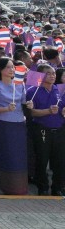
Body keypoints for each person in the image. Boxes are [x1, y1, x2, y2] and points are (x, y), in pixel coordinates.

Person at [0, 58, 28, 195]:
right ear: (0, 69)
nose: (12, 70)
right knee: (7, 154)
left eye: (13, 67)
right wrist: (5, 109)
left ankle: (21, 186)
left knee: (19, 155)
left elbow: (24, 101)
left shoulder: (19, 84)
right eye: (9, 67)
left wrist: (29, 104)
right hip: (3, 123)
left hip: (19, 123)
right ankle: (8, 186)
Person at [25, 64, 65, 195]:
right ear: (40, 76)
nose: (52, 76)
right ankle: (42, 187)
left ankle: (57, 188)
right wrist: (47, 111)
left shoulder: (59, 90)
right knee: (42, 160)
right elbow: (31, 113)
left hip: (59, 130)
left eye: (53, 73)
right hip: (42, 129)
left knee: (59, 160)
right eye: (48, 73)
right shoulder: (32, 91)